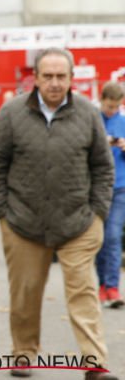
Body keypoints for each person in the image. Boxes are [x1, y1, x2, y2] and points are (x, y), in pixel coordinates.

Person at [0, 48, 117, 380]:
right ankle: (24, 354)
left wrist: (98, 213)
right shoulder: (11, 113)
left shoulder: (88, 114)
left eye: (61, 76)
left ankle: (94, 363)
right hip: (23, 222)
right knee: (25, 293)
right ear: (36, 78)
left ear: (71, 78)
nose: (55, 83)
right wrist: (3, 212)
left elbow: (103, 167)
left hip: (79, 223)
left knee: (84, 292)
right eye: (48, 76)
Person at [96, 81, 125, 309]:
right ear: (102, 99)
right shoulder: (92, 120)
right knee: (98, 239)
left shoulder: (123, 122)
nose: (111, 111)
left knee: (113, 236)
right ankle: (102, 284)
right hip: (96, 187)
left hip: (119, 186)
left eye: (115, 107)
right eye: (108, 106)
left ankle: (112, 286)